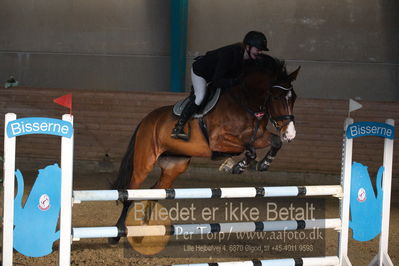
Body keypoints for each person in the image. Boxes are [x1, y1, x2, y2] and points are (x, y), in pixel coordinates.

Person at [171, 30, 270, 141]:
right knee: (200, 96)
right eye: (258, 49)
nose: (260, 52)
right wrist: (235, 81)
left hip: (220, 74)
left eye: (261, 50)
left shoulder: (251, 59)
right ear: (248, 47)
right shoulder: (229, 54)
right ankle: (178, 127)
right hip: (202, 72)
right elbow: (217, 81)